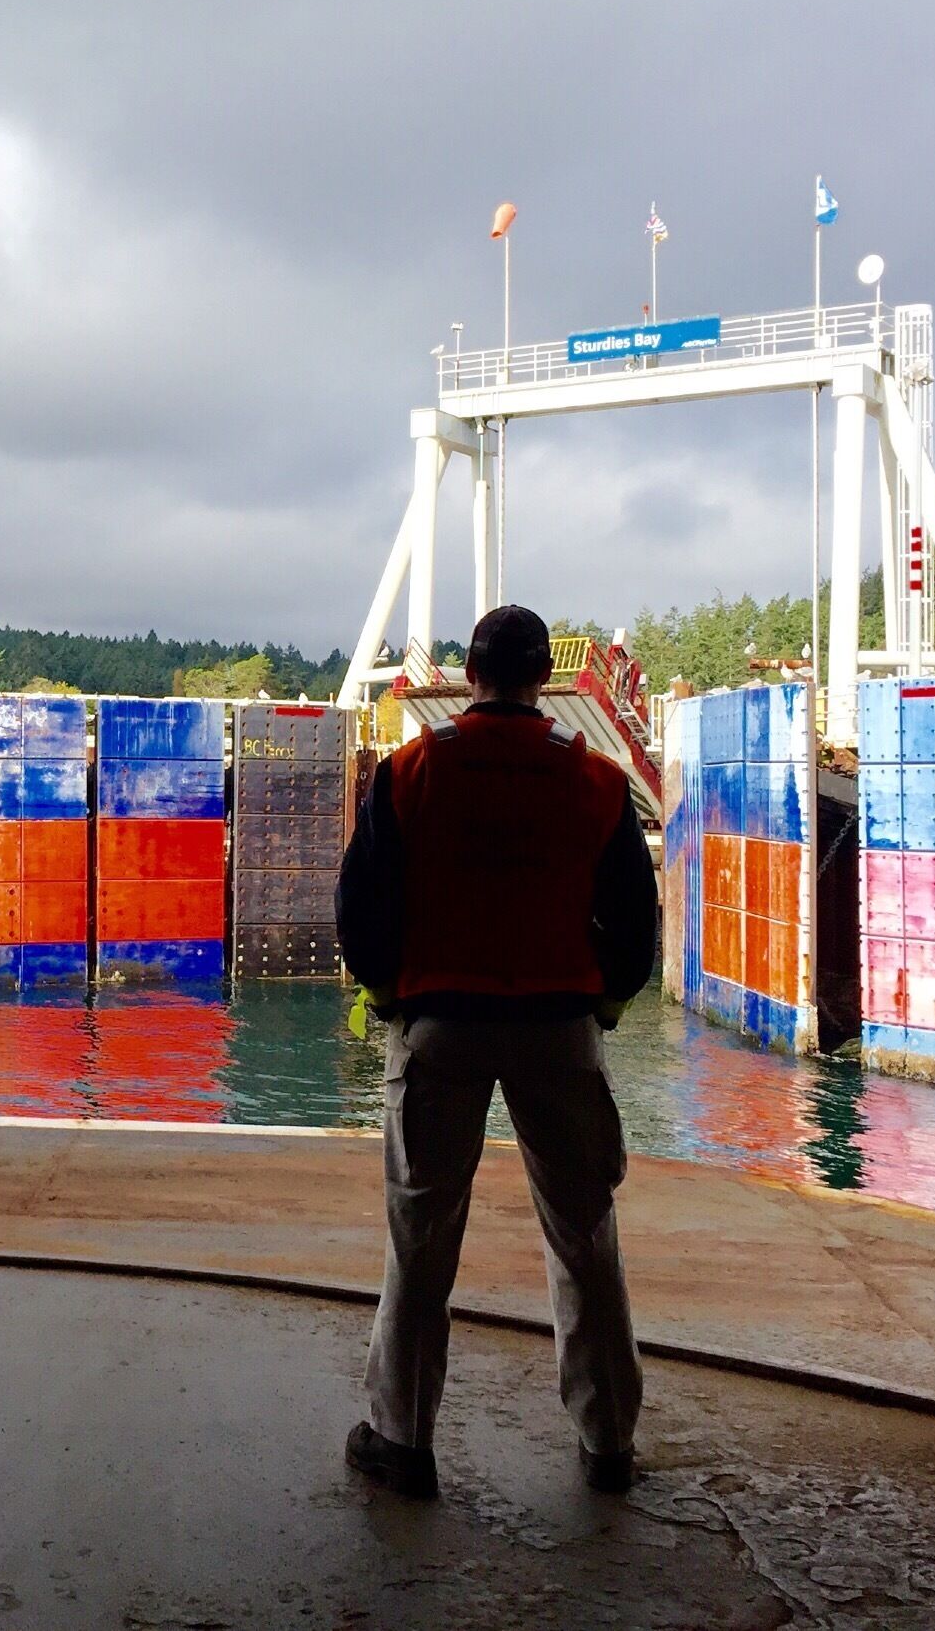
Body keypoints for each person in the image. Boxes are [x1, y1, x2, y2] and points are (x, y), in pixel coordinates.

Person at [336, 604, 658, 1500]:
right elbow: (635, 923)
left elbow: (361, 910)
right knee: (584, 1233)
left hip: (439, 1020)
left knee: (421, 1236)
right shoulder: (594, 781)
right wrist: (607, 1000)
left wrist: (388, 993)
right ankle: (607, 1443)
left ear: (470, 675)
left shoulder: (410, 772)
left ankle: (402, 1439)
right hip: (558, 1026)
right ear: (542, 678)